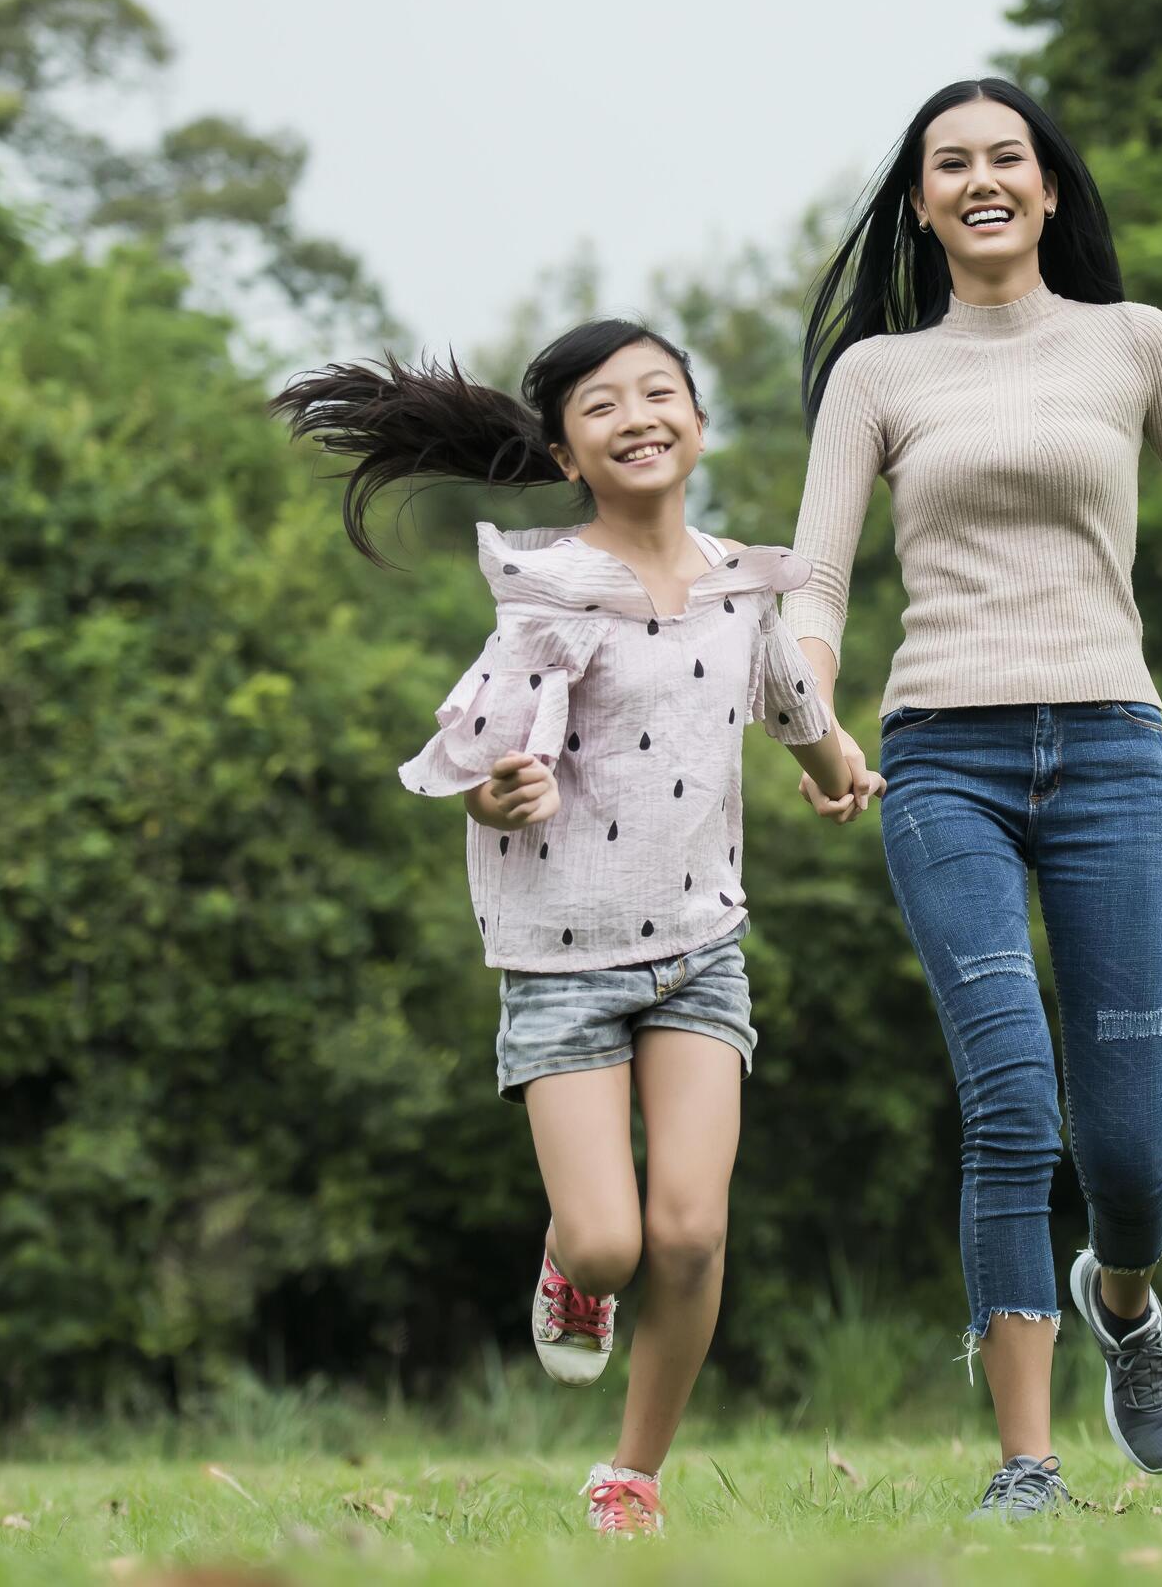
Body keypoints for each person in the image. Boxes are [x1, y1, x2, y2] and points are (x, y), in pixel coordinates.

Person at [785, 78, 1162, 1520]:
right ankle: (1025, 1464)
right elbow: (816, 583)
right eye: (948, 164)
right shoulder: (879, 376)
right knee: (1011, 1107)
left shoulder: (1132, 344)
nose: (980, 180)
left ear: (1047, 190)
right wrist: (809, 716)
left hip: (1109, 752)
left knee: (1129, 1160)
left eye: (1006, 159)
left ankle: (1127, 1294)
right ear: (920, 204)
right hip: (940, 763)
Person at [271, 321, 864, 1536]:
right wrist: (500, 789)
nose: (639, 415)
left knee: (691, 1231)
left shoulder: (744, 578)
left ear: (699, 424)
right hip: (564, 960)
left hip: (702, 947)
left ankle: (631, 1475)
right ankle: (570, 1268)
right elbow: (480, 749)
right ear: (566, 451)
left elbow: (793, 694)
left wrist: (842, 766)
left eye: (662, 393)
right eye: (604, 405)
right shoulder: (547, 591)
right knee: (609, 1245)